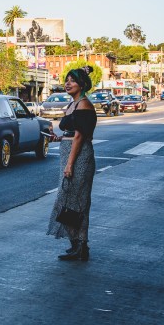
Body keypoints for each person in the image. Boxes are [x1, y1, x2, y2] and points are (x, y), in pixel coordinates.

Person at [47, 65, 98, 261]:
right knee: (67, 199)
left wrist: (70, 164)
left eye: (73, 80)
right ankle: (75, 242)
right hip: (69, 154)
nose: (68, 83)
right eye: (66, 80)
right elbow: (70, 134)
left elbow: (79, 137)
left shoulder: (84, 104)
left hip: (79, 157)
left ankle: (82, 245)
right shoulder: (72, 104)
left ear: (82, 84)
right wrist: (58, 138)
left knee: (78, 201)